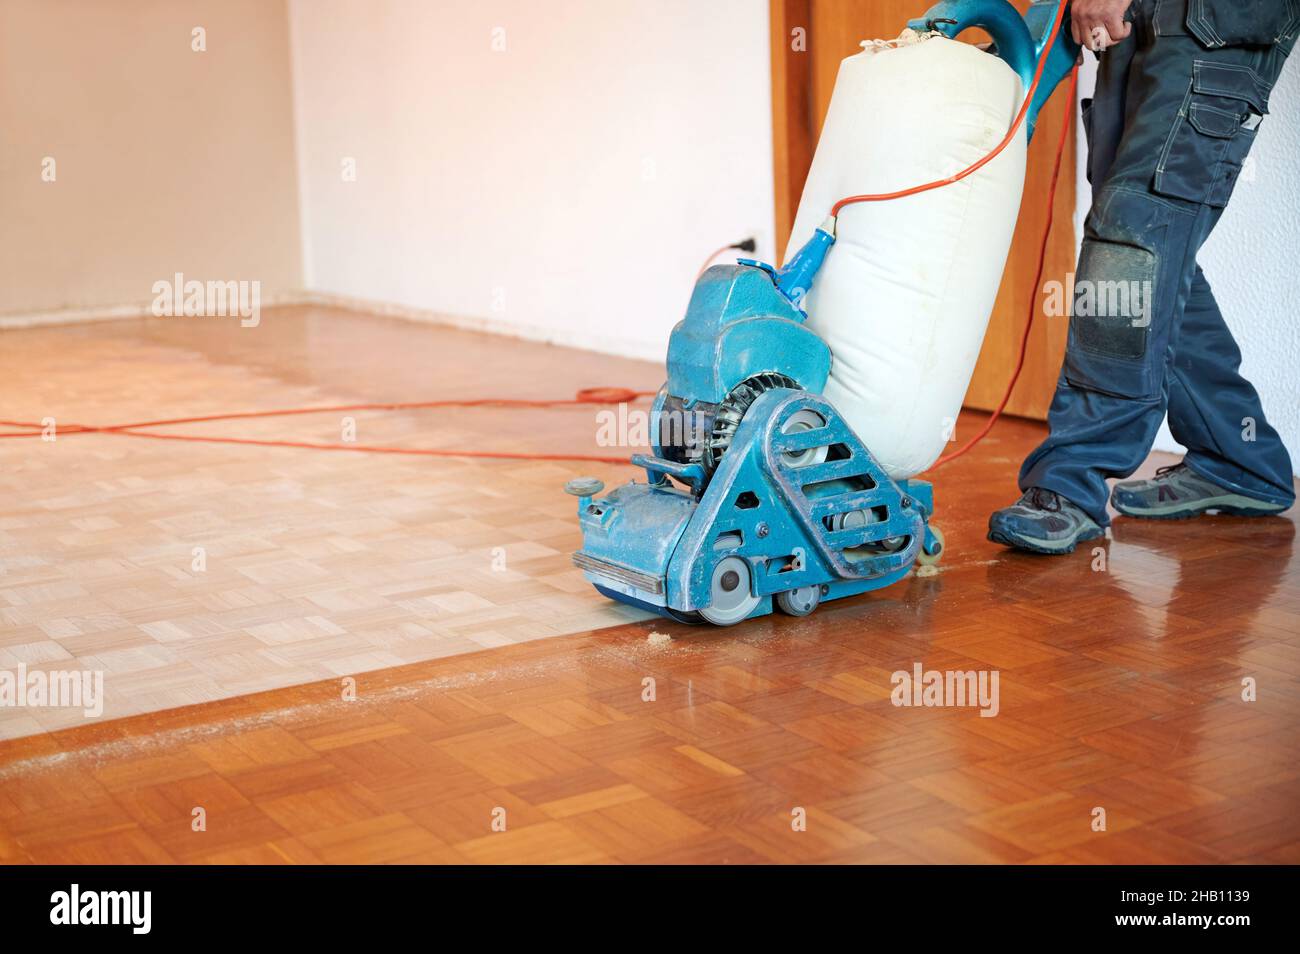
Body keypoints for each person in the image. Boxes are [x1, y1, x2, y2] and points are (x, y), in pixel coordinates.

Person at [988, 0, 1298, 555]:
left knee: (1130, 245)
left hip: (1214, 26)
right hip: (1138, 24)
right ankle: (1240, 457)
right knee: (1153, 246)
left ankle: (1071, 477)